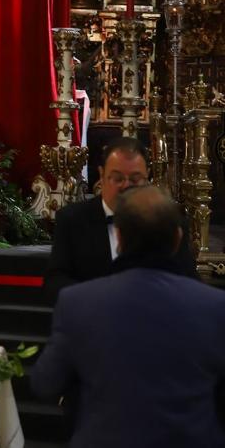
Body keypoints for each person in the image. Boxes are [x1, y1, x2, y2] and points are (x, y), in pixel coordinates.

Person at [31, 186, 225, 448]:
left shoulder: (78, 303)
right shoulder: (215, 307)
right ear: (178, 238)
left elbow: (45, 383)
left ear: (119, 237)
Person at [44, 136, 196, 303]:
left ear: (148, 177)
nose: (126, 186)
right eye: (117, 178)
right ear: (102, 175)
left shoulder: (169, 220)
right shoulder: (72, 219)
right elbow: (55, 282)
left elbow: (187, 278)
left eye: (135, 179)